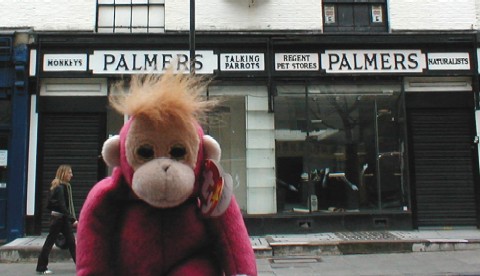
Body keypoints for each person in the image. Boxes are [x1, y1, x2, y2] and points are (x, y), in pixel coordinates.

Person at [36, 164, 78, 275]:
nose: (71, 175)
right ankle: (41, 267)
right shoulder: (59, 188)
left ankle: (81, 265)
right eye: (69, 172)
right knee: (49, 243)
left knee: (71, 242)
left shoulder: (62, 186)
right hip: (58, 219)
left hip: (61, 219)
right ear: (64, 173)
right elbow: (62, 206)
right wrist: (73, 220)